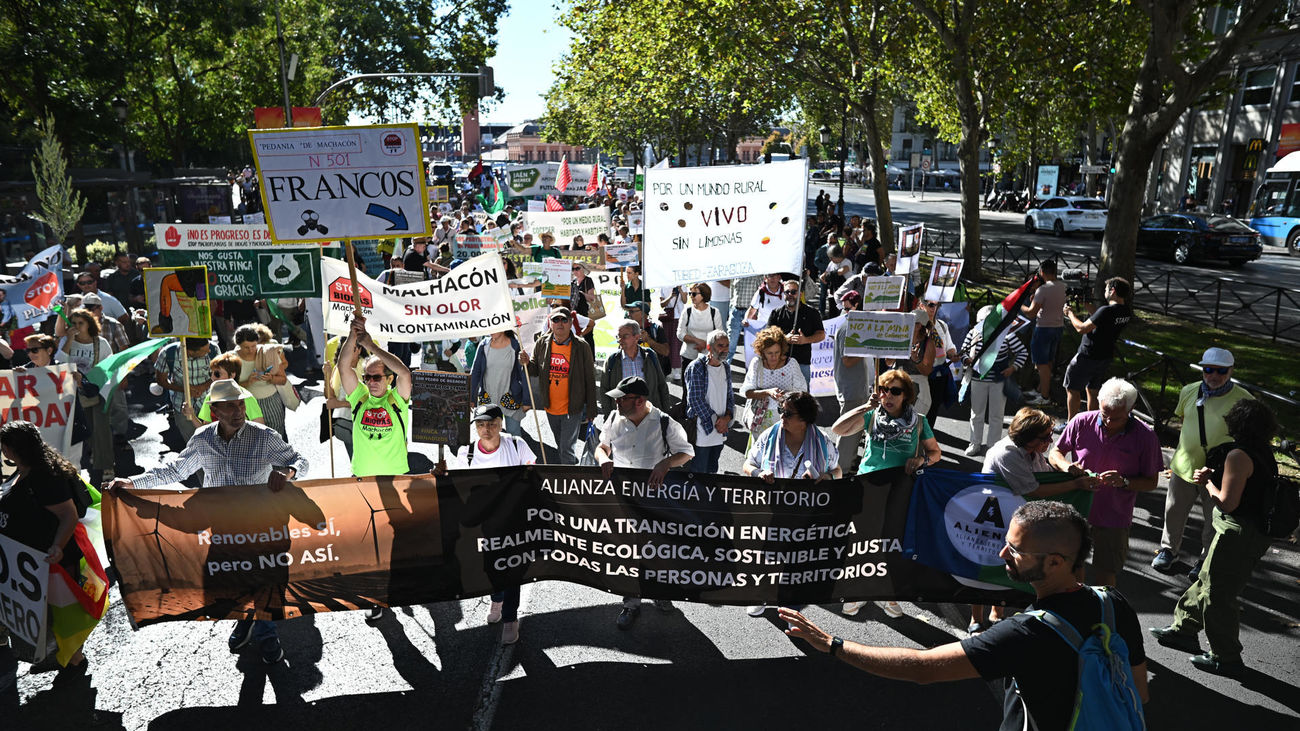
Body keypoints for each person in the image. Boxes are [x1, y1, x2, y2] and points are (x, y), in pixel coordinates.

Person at [780, 501, 1149, 731]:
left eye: (1015, 549)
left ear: (1054, 562)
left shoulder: (1025, 634)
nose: (1003, 552)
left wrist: (832, 644)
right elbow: (1140, 693)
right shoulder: (1113, 603)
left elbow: (922, 669)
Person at [106, 379, 309, 665]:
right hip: (224, 528)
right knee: (232, 580)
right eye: (229, 406)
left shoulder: (264, 436)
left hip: (264, 524)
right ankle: (245, 620)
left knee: (267, 581)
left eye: (240, 404)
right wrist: (133, 482)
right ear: (215, 411)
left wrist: (289, 470)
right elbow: (175, 470)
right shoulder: (203, 439)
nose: (238, 411)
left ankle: (266, 633)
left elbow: (299, 459)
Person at [1150, 399, 1279, 676]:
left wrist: (1206, 481)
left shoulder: (1238, 456)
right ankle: (1183, 629)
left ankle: (1226, 656)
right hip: (1250, 531)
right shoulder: (1263, 452)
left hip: (1237, 533)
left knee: (1218, 595)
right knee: (1206, 579)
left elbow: (1227, 502)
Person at [973, 407, 1102, 634]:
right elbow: (1035, 490)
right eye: (1045, 437)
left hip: (1016, 518)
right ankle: (976, 619)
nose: (1050, 441)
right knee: (987, 566)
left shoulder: (1031, 452)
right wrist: (1075, 485)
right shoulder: (1007, 453)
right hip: (993, 516)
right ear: (1028, 437)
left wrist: (1070, 471)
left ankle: (998, 613)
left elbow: (1046, 472)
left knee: (1011, 566)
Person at [594, 377, 693, 629]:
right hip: (623, 496)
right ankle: (631, 603)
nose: (616, 402)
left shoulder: (663, 422)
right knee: (629, 550)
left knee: (655, 547)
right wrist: (602, 458)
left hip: (653, 499)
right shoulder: (615, 419)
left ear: (640, 401)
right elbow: (601, 446)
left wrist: (666, 463)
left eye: (621, 398)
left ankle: (660, 592)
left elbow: (686, 452)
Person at [0, 421, 97, 674]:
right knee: (48, 612)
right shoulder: (24, 470)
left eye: (4, 446)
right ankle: (59, 655)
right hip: (31, 560)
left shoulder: (45, 477)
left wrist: (57, 547)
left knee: (64, 612)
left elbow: (68, 515)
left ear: (12, 449)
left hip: (53, 559)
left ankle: (75, 662)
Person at [1048, 378, 1163, 588]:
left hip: (1114, 517)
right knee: (1071, 568)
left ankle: (1102, 615)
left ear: (1131, 410)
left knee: (1106, 575)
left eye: (1116, 418)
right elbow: (1055, 453)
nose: (1108, 422)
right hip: (1076, 509)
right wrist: (1068, 467)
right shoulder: (1082, 421)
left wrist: (1124, 481)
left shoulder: (1146, 437)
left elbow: (1151, 482)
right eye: (1104, 414)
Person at [1153, 347, 1253, 577]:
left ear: (1231, 371)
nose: (1214, 376)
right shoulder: (1189, 391)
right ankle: (1168, 551)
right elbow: (1184, 419)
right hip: (1184, 466)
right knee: (1173, 512)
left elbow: (1251, 437)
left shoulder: (1244, 400)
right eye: (1208, 370)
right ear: (1202, 369)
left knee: (1213, 520)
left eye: (1221, 371)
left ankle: (1204, 560)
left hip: (1219, 474)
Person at [742, 391, 841, 617]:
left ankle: (791, 609)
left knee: (798, 562)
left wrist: (826, 477)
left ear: (804, 419)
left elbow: (838, 471)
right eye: (781, 411)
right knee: (767, 556)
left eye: (787, 413)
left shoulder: (822, 442)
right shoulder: (769, 436)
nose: (781, 416)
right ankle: (762, 595)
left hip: (807, 514)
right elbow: (748, 464)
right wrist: (759, 472)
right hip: (773, 510)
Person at [450, 405, 538, 645]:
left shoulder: (517, 445)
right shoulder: (466, 453)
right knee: (490, 567)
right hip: (483, 526)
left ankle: (510, 619)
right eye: (480, 425)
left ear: (500, 423)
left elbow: (534, 474)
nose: (485, 429)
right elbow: (455, 486)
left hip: (513, 523)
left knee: (512, 568)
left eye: (491, 424)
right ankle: (497, 598)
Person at [339, 315, 413, 479]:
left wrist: (371, 346)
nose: (371, 382)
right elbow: (343, 367)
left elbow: (404, 373)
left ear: (389, 379)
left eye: (377, 377)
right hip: (361, 476)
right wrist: (353, 333)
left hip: (394, 477)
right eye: (367, 377)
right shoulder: (360, 397)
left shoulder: (397, 399)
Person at [520, 307, 597, 465]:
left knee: (566, 448)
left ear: (570, 324)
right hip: (550, 407)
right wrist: (526, 363)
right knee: (561, 445)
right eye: (556, 320)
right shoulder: (542, 343)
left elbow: (590, 378)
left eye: (564, 320)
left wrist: (591, 408)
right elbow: (534, 370)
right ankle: (571, 463)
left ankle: (568, 481)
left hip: (573, 408)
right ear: (550, 323)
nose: (560, 323)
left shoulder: (582, 346)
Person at [960, 305, 1029, 457]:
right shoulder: (973, 333)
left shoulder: (1006, 335)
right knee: (976, 413)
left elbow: (1022, 352)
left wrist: (1013, 368)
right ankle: (975, 443)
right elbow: (963, 351)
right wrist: (967, 360)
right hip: (978, 379)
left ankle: (993, 446)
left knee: (996, 415)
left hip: (998, 380)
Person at [1063, 277, 1132, 419]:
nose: (1104, 292)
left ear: (1112, 291)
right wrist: (1087, 304)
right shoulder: (1126, 311)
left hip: (1087, 356)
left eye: (1106, 290)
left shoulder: (1106, 310)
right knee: (1093, 391)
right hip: (1104, 357)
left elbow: (1082, 328)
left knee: (1072, 389)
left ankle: (1071, 424)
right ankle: (1091, 423)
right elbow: (1100, 318)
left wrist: (1070, 314)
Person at [58, 307, 114, 482]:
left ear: (89, 324)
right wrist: (69, 340)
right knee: (87, 429)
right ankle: (96, 454)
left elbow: (109, 368)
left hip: (97, 392)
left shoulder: (101, 343)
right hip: (74, 394)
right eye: (73, 323)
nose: (76, 326)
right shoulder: (67, 341)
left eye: (80, 323)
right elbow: (58, 362)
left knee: (102, 430)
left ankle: (107, 466)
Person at [740, 326, 808, 440]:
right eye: (769, 353)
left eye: (777, 352)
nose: (774, 357)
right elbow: (746, 392)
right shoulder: (757, 363)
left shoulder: (791, 364)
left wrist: (786, 395)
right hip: (760, 420)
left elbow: (802, 392)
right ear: (762, 352)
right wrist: (768, 392)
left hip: (786, 420)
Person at [683, 329, 733, 473]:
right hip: (702, 431)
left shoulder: (726, 367)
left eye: (727, 345)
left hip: (720, 432)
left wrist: (727, 418)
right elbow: (695, 400)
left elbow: (730, 397)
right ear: (709, 347)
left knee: (712, 471)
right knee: (698, 473)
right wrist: (718, 421)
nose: (724, 350)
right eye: (720, 346)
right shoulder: (697, 367)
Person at [230, 323, 291, 440]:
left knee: (276, 437)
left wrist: (271, 378)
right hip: (246, 405)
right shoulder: (232, 358)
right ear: (238, 345)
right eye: (246, 347)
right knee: (252, 440)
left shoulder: (268, 352)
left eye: (254, 346)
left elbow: (283, 379)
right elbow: (228, 387)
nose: (251, 350)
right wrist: (248, 382)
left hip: (271, 402)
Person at [469, 329, 534, 437]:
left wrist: (527, 400)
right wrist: (471, 398)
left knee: (514, 438)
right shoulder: (484, 345)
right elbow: (475, 372)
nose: (490, 329)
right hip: (488, 399)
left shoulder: (515, 346)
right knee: (489, 437)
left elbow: (523, 374)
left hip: (511, 398)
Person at [1021, 260, 1066, 406]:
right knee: (1049, 361)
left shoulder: (1043, 289)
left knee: (1041, 364)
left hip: (1043, 329)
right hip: (1057, 327)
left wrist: (1019, 305)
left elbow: (1031, 313)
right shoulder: (1062, 286)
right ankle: (1041, 389)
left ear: (1041, 272)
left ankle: (1044, 396)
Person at [155, 337, 218, 444]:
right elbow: (161, 380)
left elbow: (221, 374)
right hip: (181, 405)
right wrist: (184, 389)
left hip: (210, 402)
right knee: (192, 442)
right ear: (190, 352)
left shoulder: (214, 349)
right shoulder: (168, 353)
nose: (209, 351)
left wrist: (203, 387)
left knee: (213, 438)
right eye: (204, 351)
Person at [601, 318, 670, 413]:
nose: (620, 340)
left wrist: (666, 414)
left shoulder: (650, 356)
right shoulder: (612, 360)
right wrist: (608, 416)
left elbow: (662, 385)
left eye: (625, 336)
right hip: (623, 414)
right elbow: (604, 390)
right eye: (618, 336)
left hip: (649, 412)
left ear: (637, 337)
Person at [766, 280, 825, 384]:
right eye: (787, 292)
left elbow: (821, 335)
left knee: (802, 397)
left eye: (793, 292)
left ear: (800, 294)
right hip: (780, 363)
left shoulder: (812, 313)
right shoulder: (776, 313)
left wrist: (806, 340)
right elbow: (767, 337)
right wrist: (784, 339)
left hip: (802, 363)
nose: (790, 295)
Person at [188, 353, 265, 427]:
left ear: (232, 375)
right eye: (210, 373)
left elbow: (260, 428)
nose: (212, 377)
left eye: (217, 374)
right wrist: (192, 416)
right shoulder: (211, 397)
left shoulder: (246, 397)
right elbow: (206, 431)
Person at [676, 282, 724, 369]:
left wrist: (705, 345)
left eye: (694, 294)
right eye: (690, 293)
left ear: (704, 295)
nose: (691, 296)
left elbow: (719, 336)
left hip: (709, 358)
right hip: (688, 356)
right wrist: (697, 341)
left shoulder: (714, 312)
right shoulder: (687, 311)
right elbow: (680, 333)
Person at [726, 275, 763, 367]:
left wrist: (756, 313)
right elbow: (732, 292)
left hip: (750, 313)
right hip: (735, 311)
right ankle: (725, 367)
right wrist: (731, 307)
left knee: (751, 346)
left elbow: (761, 295)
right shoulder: (736, 275)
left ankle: (751, 370)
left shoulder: (758, 276)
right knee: (731, 342)